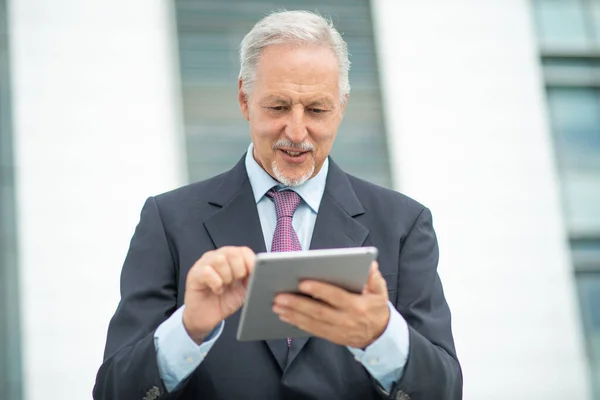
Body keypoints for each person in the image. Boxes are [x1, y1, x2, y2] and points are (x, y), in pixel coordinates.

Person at [93, 10, 462, 400]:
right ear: (244, 99)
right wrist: (187, 330)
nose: (297, 132)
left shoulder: (405, 224)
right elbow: (113, 391)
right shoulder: (167, 222)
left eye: (317, 110)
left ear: (342, 107)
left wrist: (382, 335)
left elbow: (445, 390)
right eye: (278, 107)